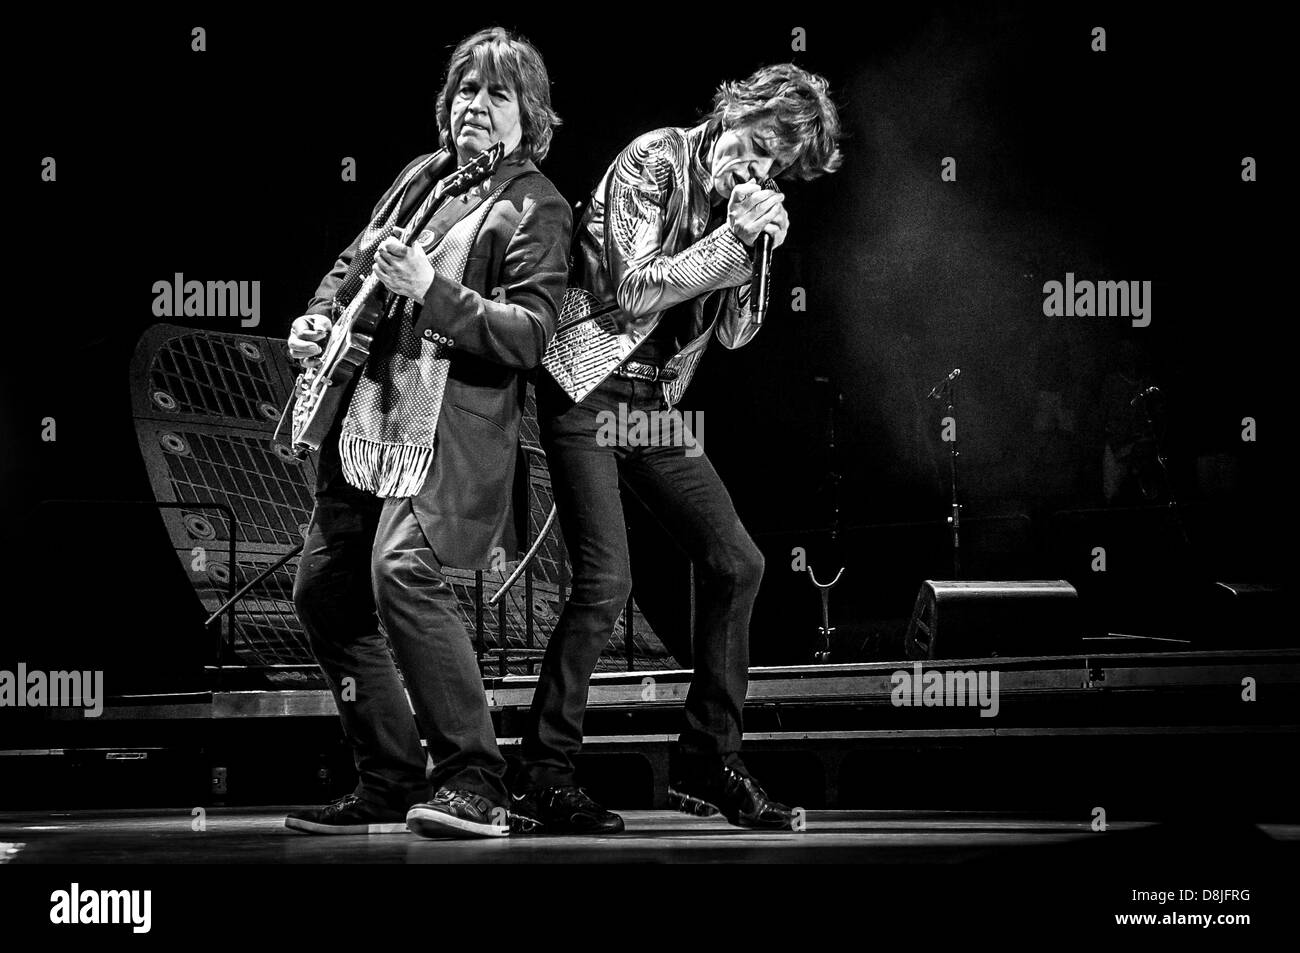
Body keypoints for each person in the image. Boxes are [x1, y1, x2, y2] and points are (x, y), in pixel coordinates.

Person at [515, 63, 842, 833]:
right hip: (585, 383)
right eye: (754, 146)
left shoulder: (741, 204)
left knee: (738, 561)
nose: (755, 170)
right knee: (607, 581)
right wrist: (734, 238)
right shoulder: (654, 159)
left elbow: (735, 331)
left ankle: (708, 757)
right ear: (734, 111)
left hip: (651, 406)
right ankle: (543, 772)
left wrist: (757, 248)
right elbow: (634, 290)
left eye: (772, 166)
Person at [283, 27, 570, 839]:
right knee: (325, 591)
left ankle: (476, 776)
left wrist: (435, 290)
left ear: (530, 115)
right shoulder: (421, 178)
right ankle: (388, 775)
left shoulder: (536, 203)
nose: (475, 106)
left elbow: (531, 334)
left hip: (449, 432)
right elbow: (354, 262)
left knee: (402, 570)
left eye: (498, 93)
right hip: (367, 410)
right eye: (466, 91)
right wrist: (317, 317)